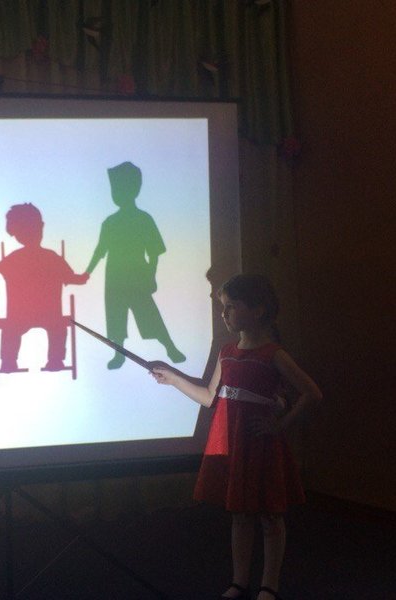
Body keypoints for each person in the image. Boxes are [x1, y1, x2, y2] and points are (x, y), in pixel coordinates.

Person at [151, 274, 322, 600]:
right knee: (240, 515)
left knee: (270, 515)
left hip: (260, 444)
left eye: (231, 306)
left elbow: (312, 393)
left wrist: (280, 426)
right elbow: (209, 397)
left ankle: (269, 585)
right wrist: (172, 378)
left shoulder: (273, 354)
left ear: (257, 310)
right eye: (223, 307)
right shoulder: (227, 352)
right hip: (234, 443)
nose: (224, 313)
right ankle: (239, 581)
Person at [85, 161, 185, 369]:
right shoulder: (110, 222)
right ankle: (119, 354)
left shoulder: (144, 219)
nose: (117, 193)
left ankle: (169, 346)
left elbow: (154, 252)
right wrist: (86, 273)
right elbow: (100, 251)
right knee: (116, 317)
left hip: (138, 276)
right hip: (114, 278)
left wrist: (151, 275)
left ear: (133, 189)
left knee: (149, 313)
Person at [0, 203, 88, 373]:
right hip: (41, 313)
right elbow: (72, 278)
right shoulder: (49, 257)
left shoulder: (19, 258)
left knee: (15, 329)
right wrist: (83, 278)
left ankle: (10, 361)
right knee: (54, 328)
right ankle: (53, 359)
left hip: (25, 314)